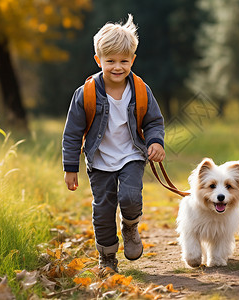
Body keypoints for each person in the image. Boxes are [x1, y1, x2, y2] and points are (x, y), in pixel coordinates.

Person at [62, 14, 165, 273]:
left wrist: (155, 142)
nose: (117, 67)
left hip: (131, 155)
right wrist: (70, 167)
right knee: (103, 212)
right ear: (98, 60)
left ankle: (130, 226)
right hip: (99, 161)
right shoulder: (85, 93)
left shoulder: (141, 89)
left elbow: (154, 121)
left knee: (130, 197)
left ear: (133, 59)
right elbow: (72, 133)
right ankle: (107, 258)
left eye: (124, 61)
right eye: (110, 61)